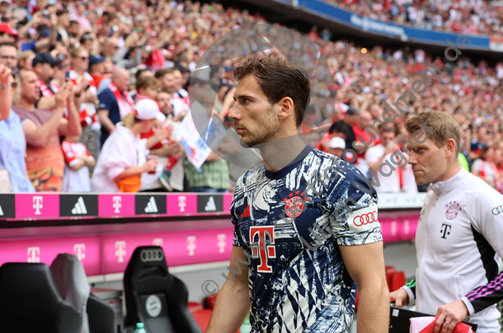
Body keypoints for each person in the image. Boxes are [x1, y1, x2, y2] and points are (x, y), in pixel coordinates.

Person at [206, 55, 388, 333]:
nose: (232, 113)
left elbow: (372, 285)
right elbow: (237, 284)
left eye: (245, 100)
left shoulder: (340, 179)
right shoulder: (245, 186)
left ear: (284, 107)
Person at [390, 111, 503, 333]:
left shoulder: (482, 197)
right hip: (427, 327)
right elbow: (441, 266)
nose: (411, 159)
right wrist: (409, 290)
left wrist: (466, 304)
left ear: (449, 148)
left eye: (421, 150)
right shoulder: (433, 193)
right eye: (410, 150)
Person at [13, 69, 81, 192]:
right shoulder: (15, 114)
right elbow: (39, 138)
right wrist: (60, 107)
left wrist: (69, 102)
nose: (37, 85)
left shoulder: (46, 114)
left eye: (37, 81)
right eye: (31, 82)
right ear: (18, 87)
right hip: (30, 190)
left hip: (55, 188)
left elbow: (74, 131)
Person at [91, 99, 166, 193]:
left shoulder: (130, 135)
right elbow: (115, 172)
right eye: (154, 121)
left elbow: (138, 147)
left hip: (116, 194)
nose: (154, 125)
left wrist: (156, 138)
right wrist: (143, 168)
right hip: (107, 196)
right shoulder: (122, 138)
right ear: (147, 121)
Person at [0, 65, 35, 192]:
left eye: (13, 85)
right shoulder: (4, 116)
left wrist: (29, 190)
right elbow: (3, 114)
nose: (10, 89)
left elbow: (20, 160)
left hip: (20, 189)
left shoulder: (15, 119)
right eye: (5, 86)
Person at [97, 67, 134, 147]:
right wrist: (115, 132)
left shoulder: (124, 94)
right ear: (116, 79)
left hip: (125, 135)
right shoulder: (107, 93)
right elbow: (102, 117)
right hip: (113, 138)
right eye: (126, 80)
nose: (128, 83)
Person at [365, 127, 401, 193]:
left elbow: (404, 167)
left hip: (395, 189)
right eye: (385, 138)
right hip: (380, 189)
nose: (387, 140)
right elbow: (372, 170)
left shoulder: (396, 150)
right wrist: (384, 154)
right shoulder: (372, 150)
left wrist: (398, 154)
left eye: (390, 138)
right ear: (380, 136)